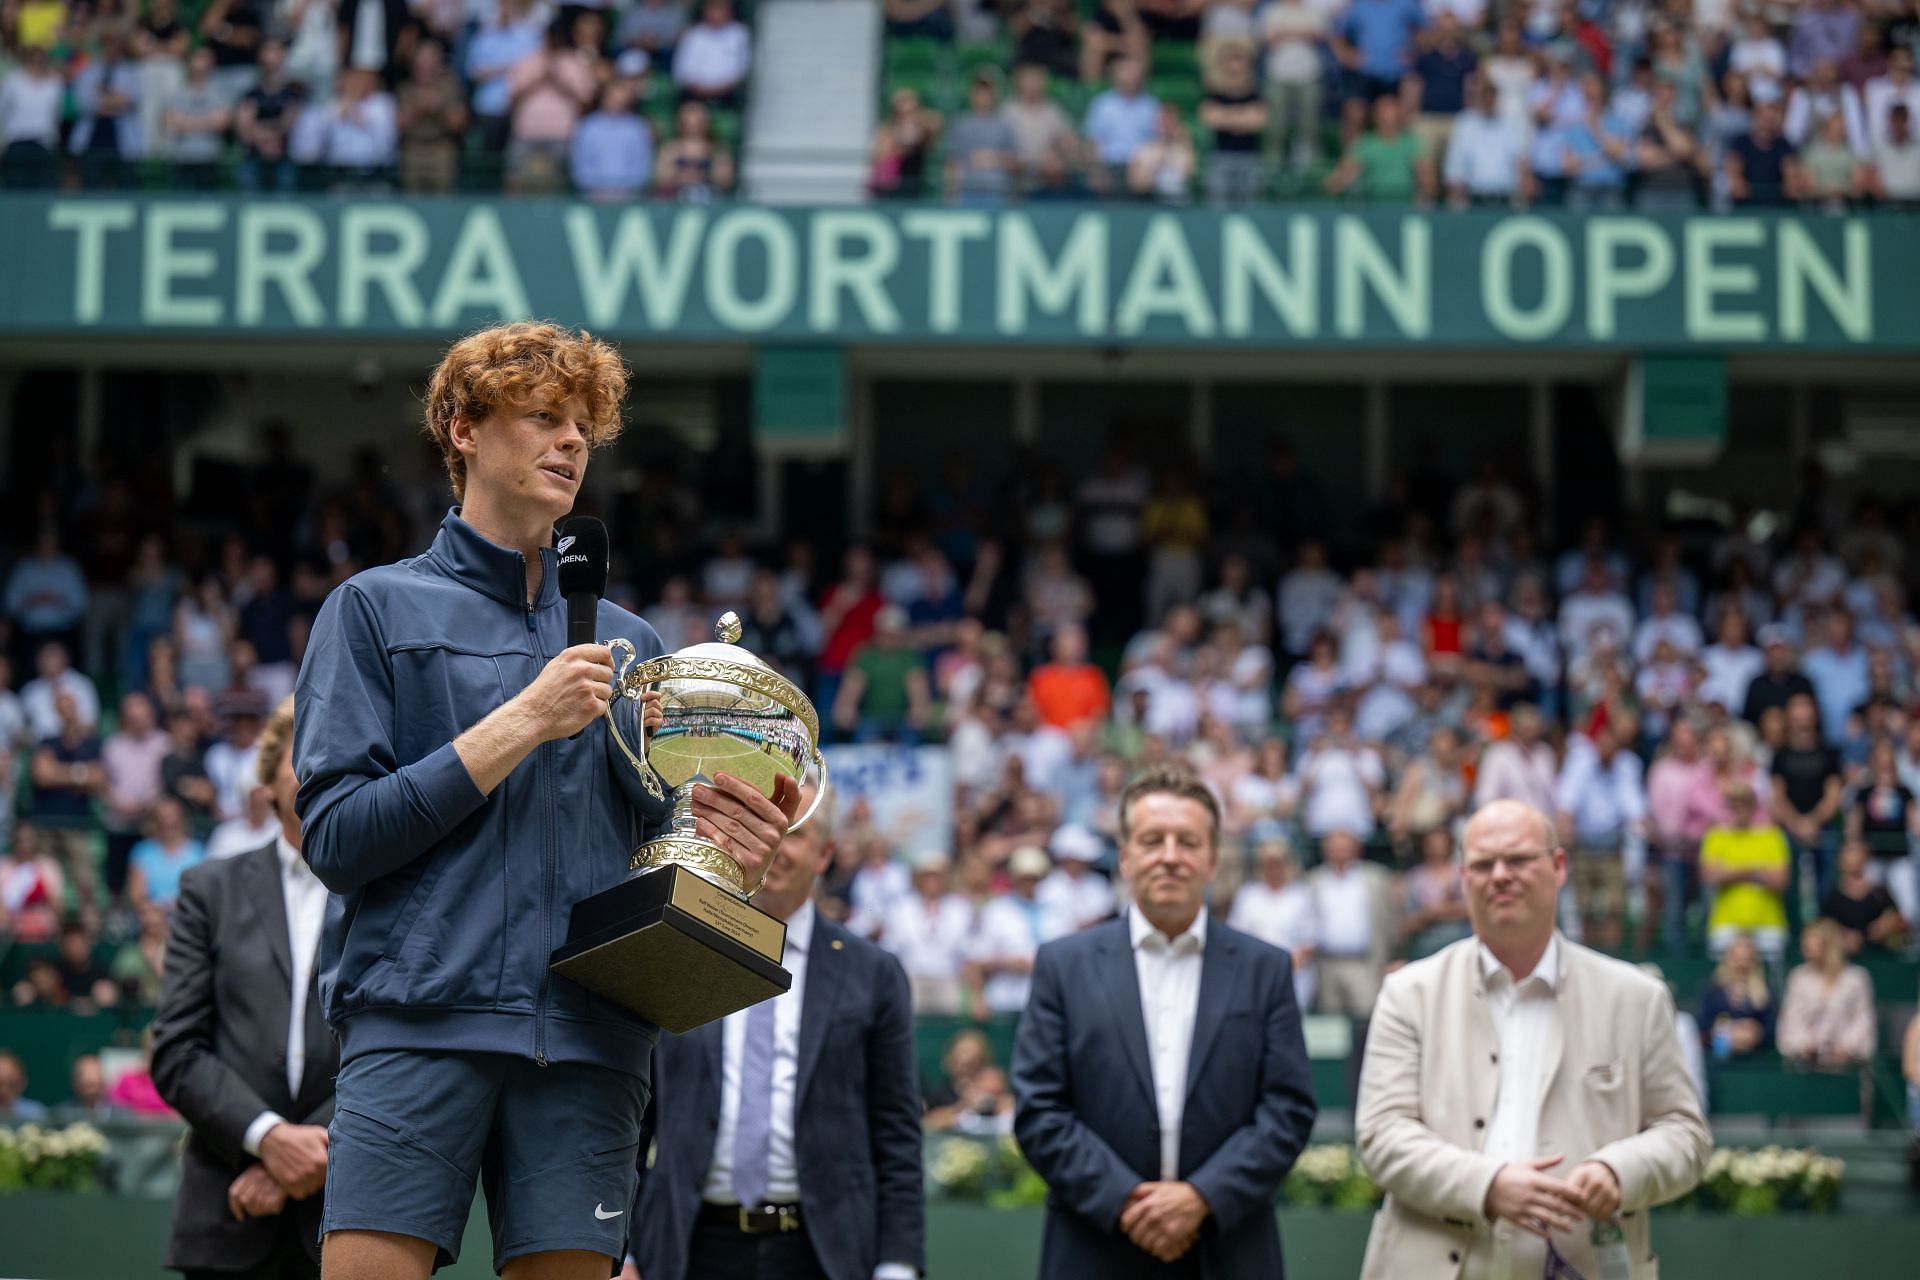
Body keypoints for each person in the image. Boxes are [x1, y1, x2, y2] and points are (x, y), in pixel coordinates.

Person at [293, 321, 796, 1280]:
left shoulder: (636, 645)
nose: (571, 443)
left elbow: (658, 845)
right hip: (417, 1025)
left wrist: (728, 853)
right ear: (461, 427)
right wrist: (521, 721)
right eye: (541, 418)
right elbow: (339, 838)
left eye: (582, 426)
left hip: (592, 1043)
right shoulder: (372, 610)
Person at [1355, 799, 1711, 1280]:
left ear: (1559, 866)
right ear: (1463, 878)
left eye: (1519, 859)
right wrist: (1488, 1185)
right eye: (1482, 864)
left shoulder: (1636, 998)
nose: (1500, 875)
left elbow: (1685, 1136)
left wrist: (1617, 1171)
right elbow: (1381, 1136)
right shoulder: (1408, 994)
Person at [1012, 765, 1317, 1278]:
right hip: (1095, 1248)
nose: (1171, 856)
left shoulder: (1265, 969)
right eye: (1152, 840)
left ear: (1213, 859)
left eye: (1188, 842)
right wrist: (1128, 1202)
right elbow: (1040, 1109)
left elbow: (1287, 1109)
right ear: (1126, 858)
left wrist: (1203, 1198)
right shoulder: (1063, 966)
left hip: (1228, 1250)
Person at [623, 809, 923, 1280]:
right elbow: (636, 1117)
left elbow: (897, 1130)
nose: (775, 844)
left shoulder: (874, 974)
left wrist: (898, 1264)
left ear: (825, 854)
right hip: (688, 1246)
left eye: (795, 833)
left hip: (824, 1252)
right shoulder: (682, 954)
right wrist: (623, 1251)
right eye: (760, 826)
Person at [151, 696, 336, 1280]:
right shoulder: (210, 888)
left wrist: (317, 1151)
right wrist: (268, 1139)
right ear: (267, 782)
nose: (320, 767)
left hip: (351, 1218)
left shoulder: (393, 893)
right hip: (226, 1210)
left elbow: (406, 1042)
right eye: (302, 753)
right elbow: (177, 1048)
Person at [1699, 781, 1792, 959]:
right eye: (1734, 804)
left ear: (1753, 806)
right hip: (1726, 923)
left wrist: (1731, 871)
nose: (1739, 809)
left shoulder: (1772, 837)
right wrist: (1755, 871)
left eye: (1744, 804)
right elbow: (1709, 876)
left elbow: (1780, 881)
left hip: (1768, 923)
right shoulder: (1715, 837)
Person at [1776, 918, 1876, 1069]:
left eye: (1813, 942)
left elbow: (1863, 1019)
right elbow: (1790, 1019)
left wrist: (1846, 1048)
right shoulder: (1798, 976)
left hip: (1849, 1064)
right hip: (1805, 1064)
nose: (1806, 947)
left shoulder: (1856, 978)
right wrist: (1804, 1045)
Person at [1819, 840, 1909, 953]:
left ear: (1867, 857)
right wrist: (1844, 935)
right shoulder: (1832, 895)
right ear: (1840, 860)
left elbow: (1902, 922)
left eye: (1856, 851)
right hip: (1845, 959)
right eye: (1848, 852)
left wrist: (1885, 926)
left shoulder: (1880, 892)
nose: (1852, 857)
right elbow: (1823, 924)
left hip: (1880, 955)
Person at [1697, 933, 1776, 1059]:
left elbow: (1771, 1026)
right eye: (1737, 958)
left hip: (1757, 1055)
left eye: (1746, 959)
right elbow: (1703, 1024)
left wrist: (1754, 1031)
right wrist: (1728, 1029)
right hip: (1718, 1055)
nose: (1741, 964)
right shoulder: (1713, 988)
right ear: (1728, 959)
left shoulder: (1765, 989)